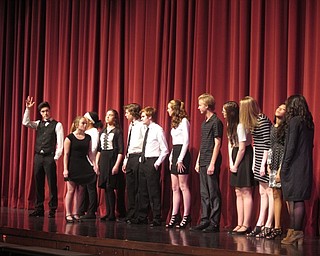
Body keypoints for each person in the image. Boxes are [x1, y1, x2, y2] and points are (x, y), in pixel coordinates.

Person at [280, 95, 314, 245]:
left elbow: (291, 146)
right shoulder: (308, 122)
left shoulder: (295, 121)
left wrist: (284, 165)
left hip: (294, 164)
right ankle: (294, 231)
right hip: (304, 164)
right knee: (296, 198)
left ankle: (296, 232)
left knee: (295, 199)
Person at [22, 96, 64, 218]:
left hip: (49, 157)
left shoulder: (57, 124)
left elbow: (60, 142)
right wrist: (28, 109)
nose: (45, 113)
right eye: (43, 111)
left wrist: (55, 157)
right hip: (38, 157)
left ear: (50, 111)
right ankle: (39, 208)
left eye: (47, 111)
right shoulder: (38, 123)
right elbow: (25, 122)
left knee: (51, 183)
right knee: (38, 182)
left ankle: (52, 209)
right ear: (40, 113)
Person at [239, 96, 273, 238]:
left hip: (266, 159)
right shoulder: (253, 122)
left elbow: (267, 144)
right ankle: (260, 223)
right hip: (258, 158)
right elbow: (255, 144)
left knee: (270, 191)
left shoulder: (262, 120)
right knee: (262, 192)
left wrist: (264, 164)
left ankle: (269, 224)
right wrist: (255, 163)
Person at [190, 93, 223, 233]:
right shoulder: (204, 123)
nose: (198, 107)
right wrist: (198, 160)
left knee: (213, 191)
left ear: (207, 106)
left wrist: (212, 163)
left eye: (200, 105)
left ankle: (214, 222)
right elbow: (203, 143)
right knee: (204, 192)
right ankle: (205, 220)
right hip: (203, 159)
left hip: (211, 160)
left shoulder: (216, 121)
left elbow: (217, 143)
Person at [133, 106, 169, 227]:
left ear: (149, 117)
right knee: (142, 190)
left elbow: (165, 149)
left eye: (143, 116)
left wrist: (157, 163)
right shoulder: (146, 129)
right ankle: (142, 216)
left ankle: (157, 217)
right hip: (143, 161)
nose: (141, 118)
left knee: (153, 190)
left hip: (152, 161)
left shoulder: (157, 129)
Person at [222, 101, 254, 235]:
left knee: (246, 191)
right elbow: (231, 144)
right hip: (235, 156)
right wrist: (230, 160)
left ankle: (246, 224)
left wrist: (235, 164)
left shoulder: (241, 126)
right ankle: (239, 223)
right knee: (237, 191)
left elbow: (242, 148)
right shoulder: (230, 125)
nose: (223, 113)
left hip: (244, 156)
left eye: (224, 110)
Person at [63, 116, 98, 223]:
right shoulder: (70, 138)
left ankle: (76, 212)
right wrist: (65, 169)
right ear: (77, 124)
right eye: (83, 123)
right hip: (73, 165)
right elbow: (66, 154)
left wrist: (95, 165)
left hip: (83, 165)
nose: (85, 125)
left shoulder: (88, 137)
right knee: (71, 190)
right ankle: (68, 213)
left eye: (86, 123)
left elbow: (90, 153)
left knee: (81, 190)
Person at [166, 100, 192, 229]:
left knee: (183, 186)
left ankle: (186, 215)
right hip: (175, 152)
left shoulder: (184, 121)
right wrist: (171, 157)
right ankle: (174, 215)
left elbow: (186, 141)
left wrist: (180, 159)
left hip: (183, 154)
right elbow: (174, 142)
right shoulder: (174, 123)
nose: (167, 110)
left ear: (175, 109)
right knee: (174, 187)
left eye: (169, 108)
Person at [97, 109, 126, 221]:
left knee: (110, 186)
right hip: (103, 159)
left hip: (112, 158)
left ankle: (112, 213)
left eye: (110, 115)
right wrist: (97, 163)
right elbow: (99, 149)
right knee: (105, 187)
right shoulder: (103, 131)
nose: (107, 117)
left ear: (115, 118)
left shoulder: (117, 132)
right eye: (107, 115)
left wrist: (116, 165)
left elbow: (120, 150)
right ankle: (108, 212)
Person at [122, 103, 146, 224]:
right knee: (130, 187)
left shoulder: (142, 125)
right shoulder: (131, 126)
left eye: (127, 112)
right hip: (130, 157)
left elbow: (144, 142)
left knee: (138, 187)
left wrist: (142, 157)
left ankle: (139, 215)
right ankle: (130, 214)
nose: (126, 115)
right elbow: (129, 144)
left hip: (138, 156)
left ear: (133, 113)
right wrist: (126, 160)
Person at [265, 104, 286, 239]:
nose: (279, 109)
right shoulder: (272, 127)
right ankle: (277, 226)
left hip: (282, 163)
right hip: (273, 162)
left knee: (284, 195)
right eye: (278, 107)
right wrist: (268, 164)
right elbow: (270, 147)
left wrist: (279, 169)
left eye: (283, 108)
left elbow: (285, 149)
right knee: (275, 193)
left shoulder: (287, 128)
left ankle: (289, 228)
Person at [79, 112, 102, 220]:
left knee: (91, 188)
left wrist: (91, 161)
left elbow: (94, 148)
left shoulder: (94, 132)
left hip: (91, 162)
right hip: (85, 162)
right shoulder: (87, 132)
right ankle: (82, 209)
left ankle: (91, 211)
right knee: (84, 187)